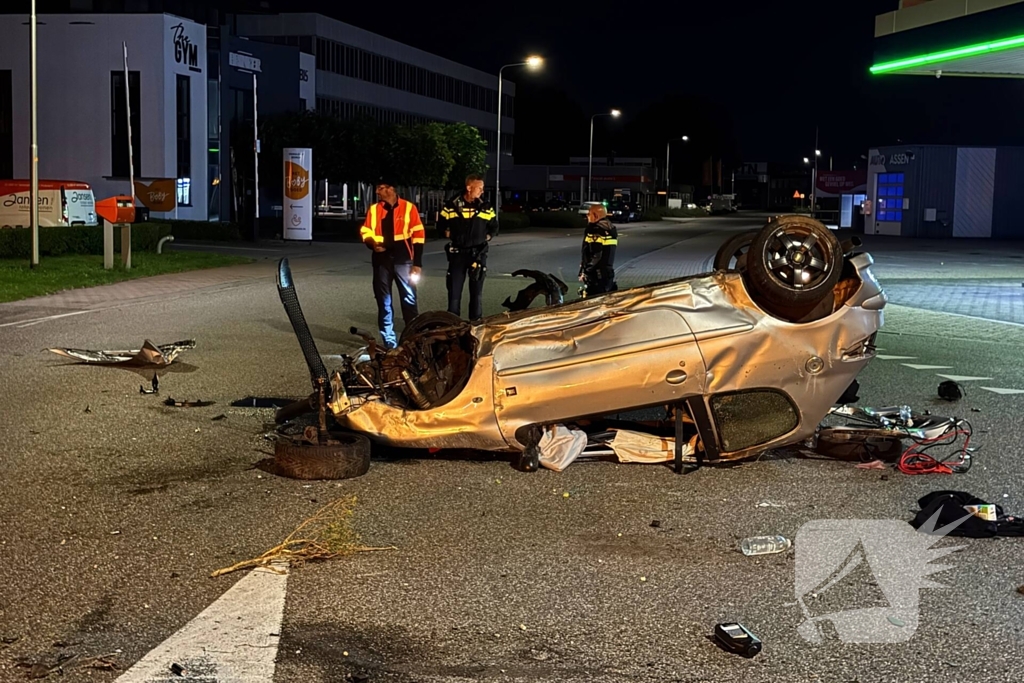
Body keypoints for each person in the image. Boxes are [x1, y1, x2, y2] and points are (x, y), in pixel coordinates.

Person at [359, 179, 425, 350]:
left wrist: (417, 263)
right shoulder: (374, 210)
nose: (377, 192)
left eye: (380, 188)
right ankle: (389, 341)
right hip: (382, 261)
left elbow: (418, 236)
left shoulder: (409, 208)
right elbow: (365, 231)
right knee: (384, 302)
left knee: (409, 300)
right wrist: (372, 244)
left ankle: (412, 337)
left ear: (391, 189)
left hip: (404, 260)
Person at [438, 174, 498, 321]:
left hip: (478, 254)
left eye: (482, 188)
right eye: (479, 188)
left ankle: (475, 328)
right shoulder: (451, 205)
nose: (482, 191)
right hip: (458, 255)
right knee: (454, 295)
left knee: (476, 295)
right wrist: (446, 232)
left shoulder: (485, 206)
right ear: (469, 188)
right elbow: (440, 225)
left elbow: (494, 227)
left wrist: (488, 236)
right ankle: (452, 327)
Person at [579, 203, 618, 296]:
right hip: (607, 273)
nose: (587, 216)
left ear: (595, 216)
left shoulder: (594, 230)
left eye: (589, 214)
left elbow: (596, 254)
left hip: (596, 275)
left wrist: (586, 270)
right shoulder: (611, 228)